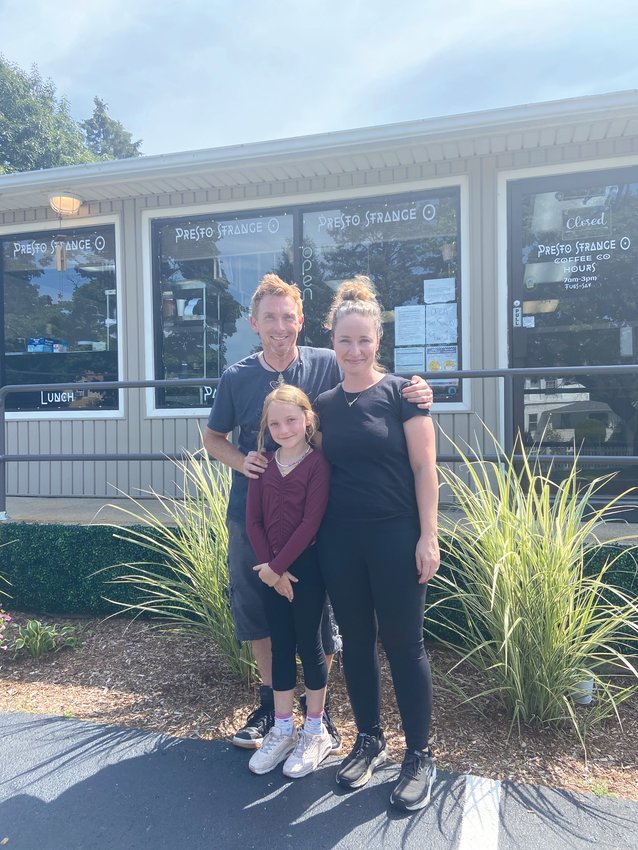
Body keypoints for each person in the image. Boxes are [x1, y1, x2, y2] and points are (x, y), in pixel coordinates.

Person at [203, 273, 433, 751]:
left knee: (318, 621)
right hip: (258, 516)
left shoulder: (326, 365)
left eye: (289, 317)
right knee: (263, 615)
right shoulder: (237, 377)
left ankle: (320, 717)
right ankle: (273, 709)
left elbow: (366, 373)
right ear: (254, 323)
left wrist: (415, 390)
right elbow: (213, 438)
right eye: (270, 317)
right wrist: (240, 460)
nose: (280, 326)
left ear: (303, 321)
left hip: (320, 524)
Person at [314, 276, 440, 812]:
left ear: (378, 342)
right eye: (345, 341)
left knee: (404, 645)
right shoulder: (323, 404)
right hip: (340, 542)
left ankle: (419, 754)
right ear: (333, 343)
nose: (355, 350)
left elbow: (424, 468)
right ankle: (368, 739)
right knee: (357, 645)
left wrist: (429, 536)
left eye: (364, 340)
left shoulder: (404, 395)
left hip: (395, 536)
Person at [246, 384, 332, 777]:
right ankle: (282, 729)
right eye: (275, 423)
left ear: (308, 419)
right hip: (269, 572)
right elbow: (254, 520)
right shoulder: (263, 465)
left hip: (307, 571)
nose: (284, 428)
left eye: (292, 420)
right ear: (267, 426)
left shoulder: (317, 465)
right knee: (281, 648)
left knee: (311, 647)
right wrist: (269, 567)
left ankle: (315, 730)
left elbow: (311, 523)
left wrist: (278, 568)